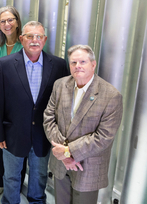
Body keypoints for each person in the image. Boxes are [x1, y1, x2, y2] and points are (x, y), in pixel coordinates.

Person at [0, 21, 69, 203]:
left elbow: (62, 104)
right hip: (12, 134)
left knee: (39, 176)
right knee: (11, 177)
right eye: (30, 36)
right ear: (21, 39)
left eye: (38, 36)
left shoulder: (58, 65)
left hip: (43, 135)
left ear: (45, 39)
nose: (34, 40)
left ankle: (37, 201)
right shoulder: (5, 64)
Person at [43, 45, 123, 204]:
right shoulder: (60, 85)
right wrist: (64, 155)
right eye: (73, 62)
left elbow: (104, 137)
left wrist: (68, 152)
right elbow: (48, 117)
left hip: (88, 166)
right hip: (61, 163)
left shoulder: (111, 96)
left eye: (82, 62)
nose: (77, 66)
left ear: (93, 65)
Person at [0, 6, 26, 198]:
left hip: (17, 108)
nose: (6, 24)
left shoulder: (25, 46)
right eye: (2, 21)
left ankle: (16, 185)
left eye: (10, 20)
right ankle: (1, 182)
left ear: (18, 21)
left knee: (17, 149)